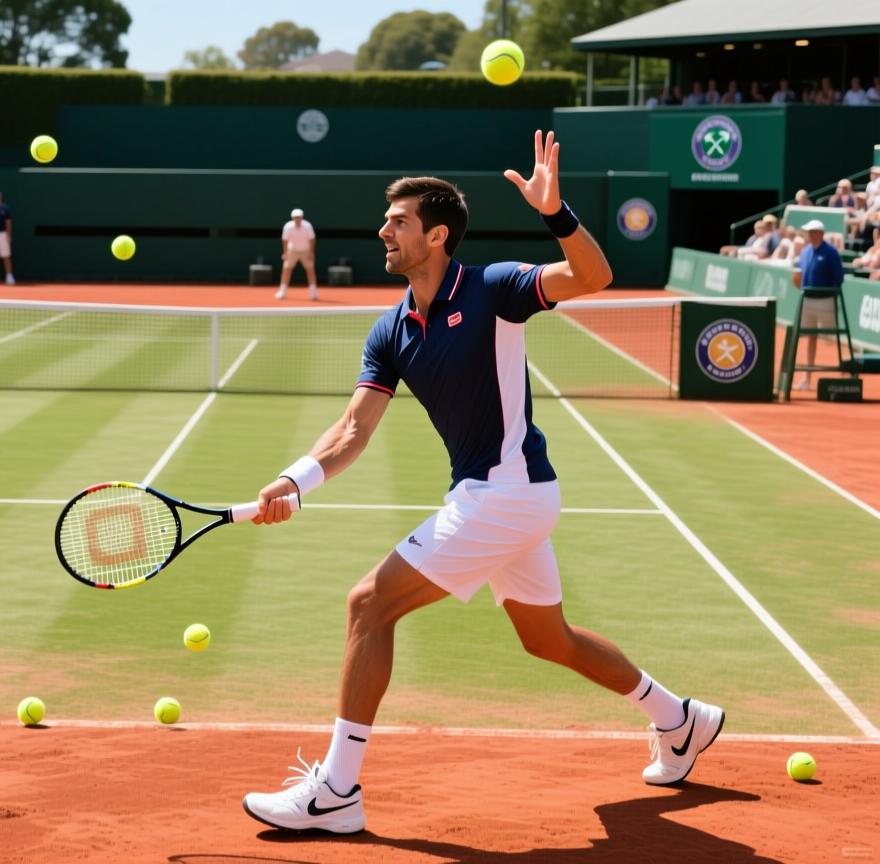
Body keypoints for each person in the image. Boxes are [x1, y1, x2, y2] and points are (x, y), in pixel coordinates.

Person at [240, 130, 725, 835]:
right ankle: (680, 719)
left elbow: (593, 278)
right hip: (505, 498)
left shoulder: (495, 289)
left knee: (369, 606)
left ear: (436, 235)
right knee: (547, 639)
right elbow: (352, 431)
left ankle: (337, 791)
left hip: (505, 493)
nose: (383, 230)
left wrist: (557, 215)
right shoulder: (390, 329)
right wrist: (294, 480)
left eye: (398, 222)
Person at [792, 219, 845, 391]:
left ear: (821, 234)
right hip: (807, 300)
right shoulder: (805, 252)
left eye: (813, 232)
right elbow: (799, 275)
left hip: (826, 300)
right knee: (810, 337)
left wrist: (827, 291)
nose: (810, 235)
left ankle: (844, 373)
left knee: (834, 337)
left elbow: (839, 278)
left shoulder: (831, 252)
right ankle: (807, 378)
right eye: (808, 232)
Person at [275, 207, 318, 301]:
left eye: (299, 217)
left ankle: (313, 292)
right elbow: (285, 240)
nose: (297, 219)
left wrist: (311, 252)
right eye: (295, 217)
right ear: (292, 218)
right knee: (286, 270)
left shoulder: (307, 226)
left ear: (302, 217)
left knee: (310, 270)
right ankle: (282, 291)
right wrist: (285, 252)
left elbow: (312, 239)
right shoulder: (288, 227)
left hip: (305, 251)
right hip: (292, 251)